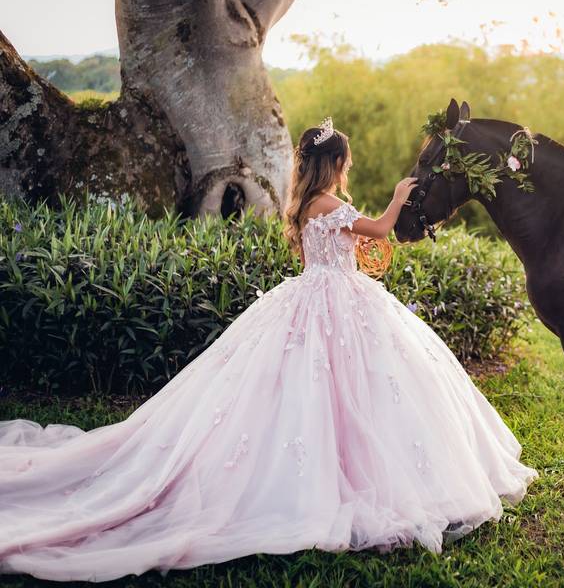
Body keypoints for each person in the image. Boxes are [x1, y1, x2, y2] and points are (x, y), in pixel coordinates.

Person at [0, 118, 537, 582]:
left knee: (324, 388)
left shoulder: (305, 201)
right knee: (350, 387)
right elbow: (378, 230)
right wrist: (399, 198)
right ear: (335, 163)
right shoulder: (331, 203)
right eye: (346, 160)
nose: (349, 168)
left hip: (316, 296)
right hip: (340, 301)